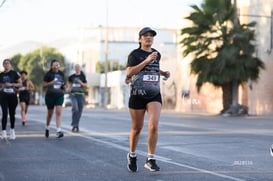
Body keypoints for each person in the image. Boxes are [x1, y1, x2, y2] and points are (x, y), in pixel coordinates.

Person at [126, 27, 170, 172]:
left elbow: (152, 69)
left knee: (154, 126)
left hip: (154, 94)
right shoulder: (134, 54)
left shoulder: (157, 54)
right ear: (140, 39)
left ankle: (150, 159)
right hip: (138, 94)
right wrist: (146, 60)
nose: (149, 38)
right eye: (145, 36)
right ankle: (132, 155)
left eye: (151, 36)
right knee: (137, 128)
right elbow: (130, 72)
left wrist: (163, 72)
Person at [42, 59, 66, 138]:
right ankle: (47, 127)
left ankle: (58, 130)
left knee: (58, 112)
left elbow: (64, 84)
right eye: (54, 65)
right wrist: (51, 83)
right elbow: (44, 85)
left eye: (57, 65)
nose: (56, 66)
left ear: (59, 66)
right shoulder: (48, 74)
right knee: (50, 114)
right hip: (50, 96)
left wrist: (64, 86)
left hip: (59, 95)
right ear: (52, 66)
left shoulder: (62, 74)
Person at [0, 59, 22, 140]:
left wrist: (11, 84)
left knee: (12, 114)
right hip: (3, 96)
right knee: (4, 113)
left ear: (10, 65)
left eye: (8, 63)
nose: (6, 64)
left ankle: (12, 131)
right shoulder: (1, 74)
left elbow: (20, 84)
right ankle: (4, 132)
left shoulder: (14, 73)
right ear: (3, 65)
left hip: (12, 96)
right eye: (5, 63)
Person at [68, 64, 88, 132]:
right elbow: (69, 86)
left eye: (78, 67)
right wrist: (69, 89)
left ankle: (76, 125)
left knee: (79, 111)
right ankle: (74, 124)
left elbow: (86, 86)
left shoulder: (83, 76)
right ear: (74, 69)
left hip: (81, 95)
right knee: (75, 108)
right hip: (73, 94)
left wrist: (80, 82)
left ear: (80, 69)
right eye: (76, 67)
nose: (77, 69)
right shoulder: (71, 77)